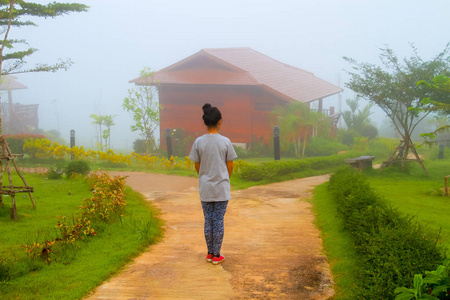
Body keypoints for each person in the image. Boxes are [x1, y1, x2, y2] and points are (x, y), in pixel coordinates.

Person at [189, 103, 237, 265]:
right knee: (218, 221)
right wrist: (223, 177)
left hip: (206, 188)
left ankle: (210, 253)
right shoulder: (225, 142)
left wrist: (204, 177)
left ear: (205, 122)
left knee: (208, 220)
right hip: (221, 188)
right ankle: (217, 255)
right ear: (220, 122)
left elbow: (197, 165)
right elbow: (230, 166)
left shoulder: (198, 142)